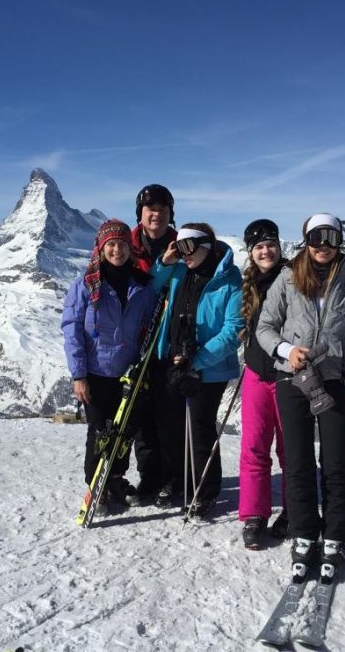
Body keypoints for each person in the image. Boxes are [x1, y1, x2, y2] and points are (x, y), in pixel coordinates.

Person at [257, 213, 345, 580]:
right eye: (316, 238)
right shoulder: (288, 278)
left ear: (340, 241)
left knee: (337, 461)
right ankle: (305, 530)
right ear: (306, 241)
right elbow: (265, 326)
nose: (323, 245)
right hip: (294, 378)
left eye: (331, 238)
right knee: (298, 460)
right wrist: (286, 350)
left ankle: (335, 535)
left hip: (337, 379)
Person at [149, 223, 244, 516]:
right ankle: (176, 480)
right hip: (174, 358)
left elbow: (233, 330)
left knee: (199, 426)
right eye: (180, 248)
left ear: (207, 246)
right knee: (170, 425)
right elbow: (151, 287)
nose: (185, 254)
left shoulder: (229, 280)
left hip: (208, 367)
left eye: (189, 248)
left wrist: (197, 361)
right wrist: (164, 263)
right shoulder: (179, 271)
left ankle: (204, 490)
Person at [61, 219, 158, 508]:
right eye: (111, 244)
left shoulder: (142, 287)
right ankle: (95, 484)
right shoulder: (85, 285)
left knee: (124, 431)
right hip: (95, 372)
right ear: (101, 249)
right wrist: (78, 375)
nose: (117, 250)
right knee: (100, 432)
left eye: (123, 244)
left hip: (128, 372)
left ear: (130, 248)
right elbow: (72, 329)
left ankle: (114, 478)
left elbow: (151, 327)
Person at [238, 219, 289, 549]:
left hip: (289, 374)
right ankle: (254, 515)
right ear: (251, 253)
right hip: (256, 373)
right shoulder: (250, 283)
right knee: (254, 446)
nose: (265, 251)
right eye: (258, 247)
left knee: (291, 448)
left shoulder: (297, 278)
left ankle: (294, 509)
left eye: (270, 244)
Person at [130, 184, 179, 500]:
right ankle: (149, 477)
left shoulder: (184, 244)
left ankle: (173, 477)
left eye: (163, 209)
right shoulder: (124, 245)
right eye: (150, 208)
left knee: (170, 415)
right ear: (141, 214)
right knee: (142, 417)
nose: (156, 214)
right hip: (134, 344)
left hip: (169, 343)